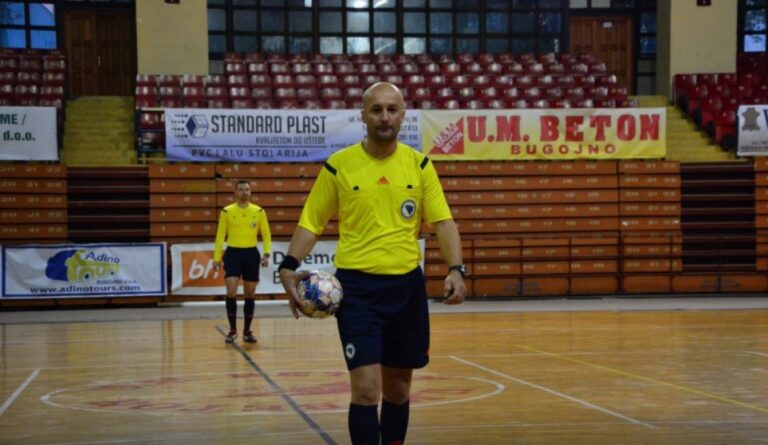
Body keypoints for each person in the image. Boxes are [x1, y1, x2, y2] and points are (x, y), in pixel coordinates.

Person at [278, 82, 467, 445]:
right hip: (357, 292)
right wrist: (287, 265)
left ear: (403, 115)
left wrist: (456, 269)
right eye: (376, 109)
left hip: (406, 290)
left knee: (398, 390)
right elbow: (311, 222)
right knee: (366, 390)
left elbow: (443, 223)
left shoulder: (420, 165)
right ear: (363, 115)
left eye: (392, 110)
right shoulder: (339, 166)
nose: (384, 117)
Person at [214, 179, 272, 344]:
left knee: (250, 293)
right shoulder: (226, 211)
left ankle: (247, 331)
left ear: (250, 192)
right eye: (241, 189)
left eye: (247, 189)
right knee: (231, 291)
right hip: (232, 254)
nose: (244, 192)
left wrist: (266, 254)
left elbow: (266, 234)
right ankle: (232, 330)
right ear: (235, 192)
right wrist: (216, 258)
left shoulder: (259, 211)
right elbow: (220, 235)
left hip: (251, 254)